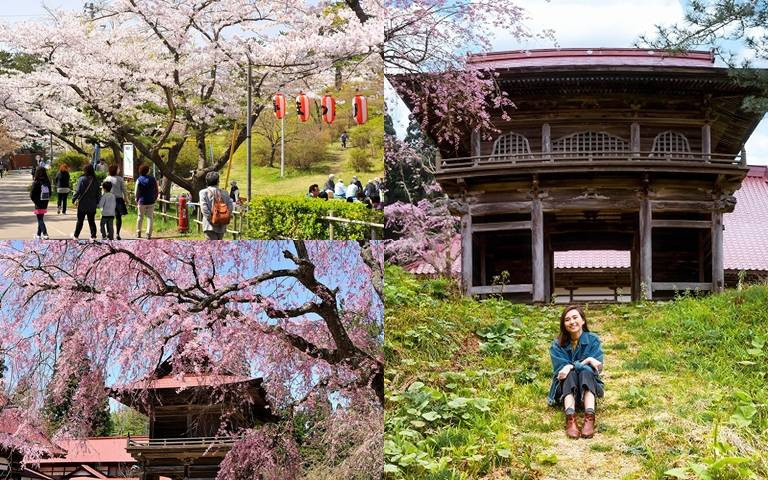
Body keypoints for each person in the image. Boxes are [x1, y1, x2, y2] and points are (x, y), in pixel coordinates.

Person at [547, 305, 604, 439]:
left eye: (575, 317)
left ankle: (590, 417)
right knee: (569, 373)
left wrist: (574, 365)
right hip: (565, 389)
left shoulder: (593, 340)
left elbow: (598, 367)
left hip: (589, 386)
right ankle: (570, 418)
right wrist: (585, 361)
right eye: (567, 320)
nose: (572, 322)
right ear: (563, 324)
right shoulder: (557, 344)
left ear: (583, 320)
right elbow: (561, 370)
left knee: (586, 371)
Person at [200, 171, 233, 240]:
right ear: (218, 181)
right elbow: (230, 206)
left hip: (209, 225)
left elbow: (204, 208)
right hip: (222, 225)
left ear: (206, 181)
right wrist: (225, 216)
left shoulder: (203, 192)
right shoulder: (225, 192)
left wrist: (211, 219)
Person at [71, 164, 101, 240]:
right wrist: (98, 202)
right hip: (92, 204)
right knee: (91, 221)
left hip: (83, 204)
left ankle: (76, 235)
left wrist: (74, 199)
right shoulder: (96, 180)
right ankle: (93, 236)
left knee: (80, 221)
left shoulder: (82, 179)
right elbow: (98, 193)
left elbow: (78, 191)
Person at [135, 164, 158, 239]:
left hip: (141, 201)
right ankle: (148, 234)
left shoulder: (139, 179)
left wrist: (137, 199)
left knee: (140, 216)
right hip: (151, 200)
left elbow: (136, 191)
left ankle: (138, 232)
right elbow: (156, 190)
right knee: (150, 217)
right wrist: (155, 198)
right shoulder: (153, 179)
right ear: (147, 171)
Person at [105, 164, 127, 240]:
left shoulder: (107, 178)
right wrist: (126, 199)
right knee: (118, 217)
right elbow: (124, 190)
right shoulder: (120, 179)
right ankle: (117, 233)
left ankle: (109, 233)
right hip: (118, 200)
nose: (119, 170)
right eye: (118, 169)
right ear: (115, 170)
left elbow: (104, 190)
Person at [30, 167, 51, 240]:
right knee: (41, 217)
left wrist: (35, 201)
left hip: (38, 203)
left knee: (40, 219)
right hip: (45, 202)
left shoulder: (36, 182)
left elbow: (32, 194)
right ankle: (38, 234)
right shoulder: (47, 182)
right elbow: (50, 193)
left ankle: (45, 233)